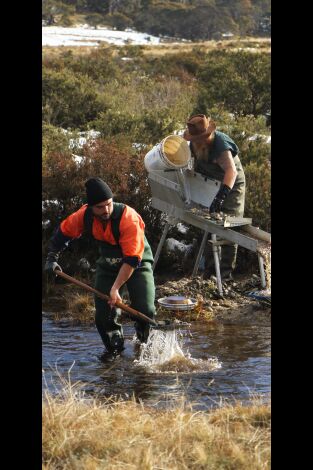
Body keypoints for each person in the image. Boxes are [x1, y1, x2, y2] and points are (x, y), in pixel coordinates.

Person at [44, 177, 156, 354]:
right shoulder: (84, 215)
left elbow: (132, 259)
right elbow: (63, 232)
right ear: (90, 207)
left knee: (145, 309)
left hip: (137, 264)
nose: (106, 210)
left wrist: (115, 288)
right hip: (108, 265)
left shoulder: (129, 218)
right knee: (103, 317)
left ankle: (144, 346)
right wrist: (52, 257)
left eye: (109, 204)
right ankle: (114, 352)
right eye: (100, 207)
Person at [183, 114, 246, 280]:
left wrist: (221, 197)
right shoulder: (193, 144)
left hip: (231, 186)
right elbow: (192, 164)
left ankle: (225, 275)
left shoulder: (220, 145)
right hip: (209, 181)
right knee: (208, 223)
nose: (197, 141)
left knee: (229, 224)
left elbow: (231, 172)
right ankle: (211, 270)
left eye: (200, 138)